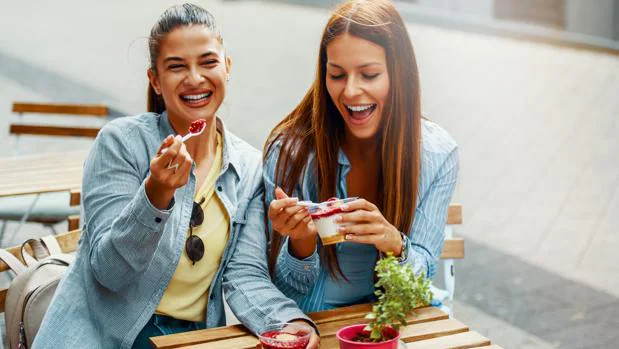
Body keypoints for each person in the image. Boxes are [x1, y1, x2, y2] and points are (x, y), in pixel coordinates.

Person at [33, 4, 317, 348]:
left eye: (208, 62)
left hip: (189, 339)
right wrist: (155, 196)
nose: (195, 78)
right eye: (176, 66)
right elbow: (109, 272)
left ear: (227, 68)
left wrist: (288, 321)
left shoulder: (249, 166)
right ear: (155, 80)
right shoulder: (120, 143)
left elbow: (245, 275)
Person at [264, 0, 459, 313]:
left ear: (399, 76)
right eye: (337, 75)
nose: (351, 92)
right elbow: (282, 289)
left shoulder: (437, 154)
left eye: (369, 75)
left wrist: (392, 242)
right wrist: (301, 242)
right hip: (315, 319)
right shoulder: (291, 152)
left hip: (391, 317)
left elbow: (418, 278)